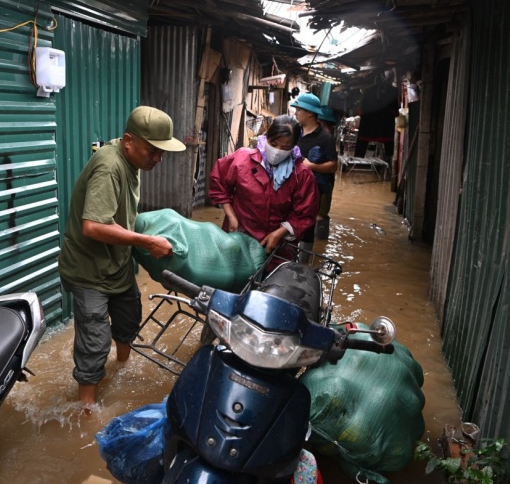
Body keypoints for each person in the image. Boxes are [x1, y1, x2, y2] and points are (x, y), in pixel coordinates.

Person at [58, 106, 186, 408]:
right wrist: (146, 241)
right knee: (94, 341)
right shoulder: (109, 166)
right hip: (88, 271)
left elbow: (123, 214)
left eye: (162, 152)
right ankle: (86, 411)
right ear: (128, 140)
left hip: (115, 264)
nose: (158, 159)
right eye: (152, 151)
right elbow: (93, 226)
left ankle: (122, 370)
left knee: (129, 320)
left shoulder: (131, 164)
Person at [208, 114, 319, 256]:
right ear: (267, 137)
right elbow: (219, 183)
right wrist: (231, 216)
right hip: (237, 238)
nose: (277, 151)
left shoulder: (302, 175)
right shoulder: (241, 159)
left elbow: (305, 214)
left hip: (277, 247)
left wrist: (279, 233)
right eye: (273, 144)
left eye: (285, 147)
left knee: (274, 277)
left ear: (294, 146)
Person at [290, 93, 338, 251]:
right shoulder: (295, 132)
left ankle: (305, 261)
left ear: (310, 112)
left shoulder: (326, 138)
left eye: (299, 109)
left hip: (316, 189)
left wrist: (311, 166)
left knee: (309, 224)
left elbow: (333, 166)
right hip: (293, 187)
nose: (296, 113)